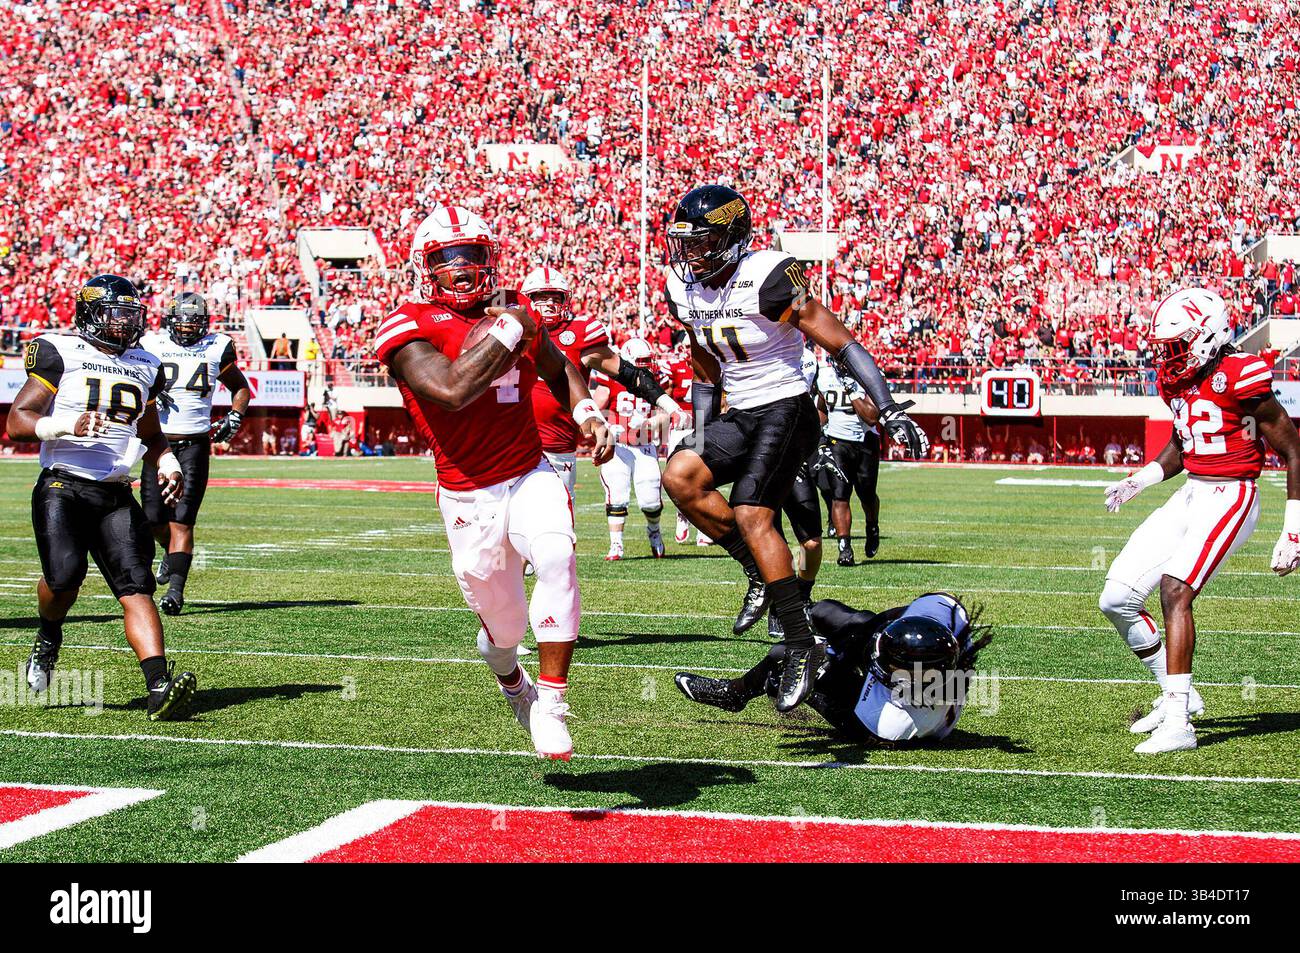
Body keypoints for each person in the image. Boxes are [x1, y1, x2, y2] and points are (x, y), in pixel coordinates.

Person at [660, 184, 928, 712]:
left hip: (789, 406)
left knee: (752, 511)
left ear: (733, 237)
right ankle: (760, 575)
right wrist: (701, 426)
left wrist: (887, 405)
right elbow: (703, 360)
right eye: (684, 242)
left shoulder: (767, 274)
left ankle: (801, 646)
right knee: (680, 477)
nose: (690, 253)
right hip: (743, 412)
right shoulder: (682, 286)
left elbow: (841, 340)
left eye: (703, 241)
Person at [373, 205, 614, 760]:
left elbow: (560, 369)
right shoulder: (410, 324)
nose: (460, 269)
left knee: (557, 554)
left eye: (472, 256)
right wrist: (508, 331)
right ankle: (512, 680)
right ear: (423, 267)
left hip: (531, 470)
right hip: (467, 494)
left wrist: (587, 415)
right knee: (503, 633)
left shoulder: (521, 314)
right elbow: (452, 390)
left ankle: (552, 703)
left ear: (491, 259)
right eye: (445, 259)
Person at [1101, 289, 1300, 754]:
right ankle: (1182, 701)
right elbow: (1183, 443)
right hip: (1193, 491)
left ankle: (1178, 722)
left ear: (1208, 336)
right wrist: (1143, 478)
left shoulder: (1240, 375)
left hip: (1232, 495)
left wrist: (1294, 527)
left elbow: (1294, 450)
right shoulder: (1179, 380)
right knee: (1116, 598)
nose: (1168, 357)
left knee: (1175, 589)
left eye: (1177, 345)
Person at [7, 275, 197, 720]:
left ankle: (158, 686)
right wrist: (64, 426)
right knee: (64, 580)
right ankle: (49, 634)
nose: (125, 324)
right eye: (117, 315)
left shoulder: (146, 363)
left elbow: (150, 434)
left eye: (132, 315)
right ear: (91, 313)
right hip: (63, 485)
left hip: (114, 491)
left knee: (137, 588)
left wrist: (166, 460)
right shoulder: (61, 351)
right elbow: (18, 421)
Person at [675, 592, 991, 744]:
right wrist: (883, 627)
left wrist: (831, 657)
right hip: (903, 685)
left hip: (871, 721)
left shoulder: (895, 720)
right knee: (827, 611)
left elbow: (854, 709)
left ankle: (734, 694)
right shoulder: (946, 632)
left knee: (785, 657)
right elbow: (938, 604)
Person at [521, 265, 684, 501]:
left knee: (557, 525)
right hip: (513, 445)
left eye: (555, 297)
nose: (548, 304)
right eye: (541, 297)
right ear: (527, 300)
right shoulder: (512, 332)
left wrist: (669, 405)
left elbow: (630, 374)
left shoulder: (579, 332)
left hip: (558, 448)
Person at [138, 292, 251, 614]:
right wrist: (147, 395)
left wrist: (235, 415)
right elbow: (135, 379)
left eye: (194, 323)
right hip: (157, 445)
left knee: (182, 520)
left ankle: (176, 591)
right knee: (153, 519)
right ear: (170, 322)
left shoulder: (217, 346)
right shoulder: (151, 345)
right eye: (183, 323)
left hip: (195, 444)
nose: (188, 329)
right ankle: (168, 554)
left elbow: (240, 386)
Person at [591, 338, 671, 559]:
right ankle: (616, 544)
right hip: (618, 445)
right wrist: (604, 430)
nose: (647, 366)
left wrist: (653, 423)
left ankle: (654, 532)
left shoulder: (656, 379)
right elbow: (596, 409)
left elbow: (665, 413)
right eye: (642, 361)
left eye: (648, 361)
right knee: (617, 494)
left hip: (644, 444)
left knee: (650, 498)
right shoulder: (611, 378)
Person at [812, 347, 883, 565]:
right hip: (837, 442)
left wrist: (852, 390)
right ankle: (845, 547)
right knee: (839, 495)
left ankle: (872, 526)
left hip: (865, 443)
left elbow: (872, 417)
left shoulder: (868, 374)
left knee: (867, 494)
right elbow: (823, 407)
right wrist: (816, 433)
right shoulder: (823, 375)